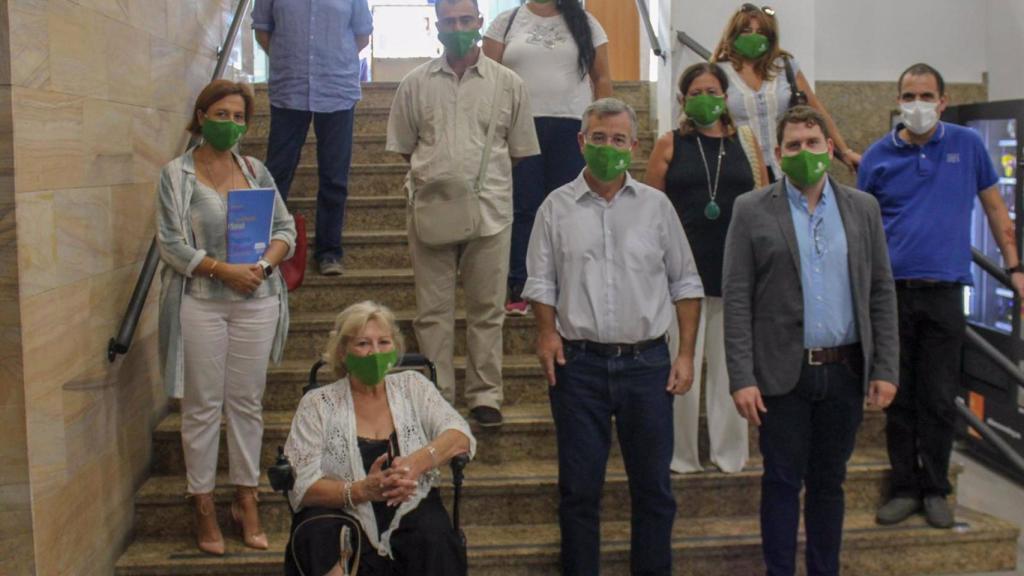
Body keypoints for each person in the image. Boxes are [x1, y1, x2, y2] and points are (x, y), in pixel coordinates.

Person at [523, 97, 705, 576]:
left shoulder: (657, 208)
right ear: (581, 142)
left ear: (635, 145)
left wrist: (684, 355)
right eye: (599, 138)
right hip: (577, 367)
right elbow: (541, 281)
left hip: (648, 366)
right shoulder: (555, 208)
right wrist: (546, 334)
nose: (608, 147)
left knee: (654, 490)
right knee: (579, 491)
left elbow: (686, 283)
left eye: (618, 139)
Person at [723, 105, 899, 576]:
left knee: (830, 484)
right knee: (780, 483)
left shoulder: (863, 208)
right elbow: (737, 298)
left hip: (843, 371)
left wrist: (885, 368)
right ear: (779, 154)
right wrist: (741, 376)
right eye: (795, 146)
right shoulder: (751, 208)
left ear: (829, 148)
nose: (805, 152)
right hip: (782, 374)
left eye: (813, 143)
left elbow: (881, 290)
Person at [859, 63, 1024, 529]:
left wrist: (1015, 267)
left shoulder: (967, 146)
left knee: (938, 395)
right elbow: (861, 227)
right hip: (890, 294)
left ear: (943, 101)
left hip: (946, 292)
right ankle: (904, 487)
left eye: (926, 96)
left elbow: (996, 208)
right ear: (897, 100)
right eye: (909, 96)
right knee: (897, 395)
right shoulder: (877, 156)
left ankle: (934, 488)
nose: (917, 105)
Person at [156, 79, 297, 555]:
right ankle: (202, 503)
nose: (231, 124)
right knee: (200, 407)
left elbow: (285, 229)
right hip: (200, 301)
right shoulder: (176, 175)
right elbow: (172, 245)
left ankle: (246, 498)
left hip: (257, 302)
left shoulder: (256, 171)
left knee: (245, 403)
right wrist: (223, 271)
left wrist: (260, 267)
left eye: (239, 117)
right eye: (222, 114)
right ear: (200, 116)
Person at [386, 0, 540, 428]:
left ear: (479, 23)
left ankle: (485, 395)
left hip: (490, 211)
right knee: (432, 312)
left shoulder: (509, 84)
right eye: (448, 21)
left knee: (487, 309)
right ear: (436, 27)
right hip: (430, 212)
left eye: (465, 20)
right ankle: (436, 395)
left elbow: (521, 150)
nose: (457, 27)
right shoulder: (415, 84)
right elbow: (404, 146)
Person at [282, 301, 476, 576]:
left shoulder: (413, 386)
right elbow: (301, 484)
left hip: (410, 502)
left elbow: (459, 435)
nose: (374, 352)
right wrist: (361, 490)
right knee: (320, 535)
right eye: (363, 344)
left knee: (434, 536)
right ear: (342, 352)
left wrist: (415, 464)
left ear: (395, 348)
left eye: (383, 342)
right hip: (343, 509)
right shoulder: (318, 403)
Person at [646, 62, 768, 475]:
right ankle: (681, 454)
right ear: (682, 99)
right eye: (696, 91)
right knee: (681, 368)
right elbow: (650, 212)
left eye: (713, 90)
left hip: (736, 271)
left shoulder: (747, 144)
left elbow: (765, 204)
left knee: (731, 366)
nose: (705, 98)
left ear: (725, 96)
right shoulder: (668, 145)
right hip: (681, 276)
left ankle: (730, 453)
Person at [482, 0, 612, 316]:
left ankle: (570, 285)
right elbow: (485, 79)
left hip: (573, 128)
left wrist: (604, 126)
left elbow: (602, 78)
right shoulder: (505, 22)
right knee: (523, 207)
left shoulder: (587, 23)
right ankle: (520, 285)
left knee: (570, 209)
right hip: (519, 128)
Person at [252, 0, 373, 276]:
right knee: (276, 174)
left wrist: (332, 61)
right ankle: (268, 249)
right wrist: (291, 62)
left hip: (337, 89)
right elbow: (262, 30)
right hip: (288, 88)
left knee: (334, 177)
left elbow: (362, 35)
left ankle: (329, 252)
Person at [711, 3, 860, 180]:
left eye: (760, 32)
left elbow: (817, 111)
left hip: (786, 166)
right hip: (741, 169)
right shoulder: (718, 72)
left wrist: (844, 150)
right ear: (734, 34)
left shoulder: (784, 66)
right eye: (747, 30)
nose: (754, 36)